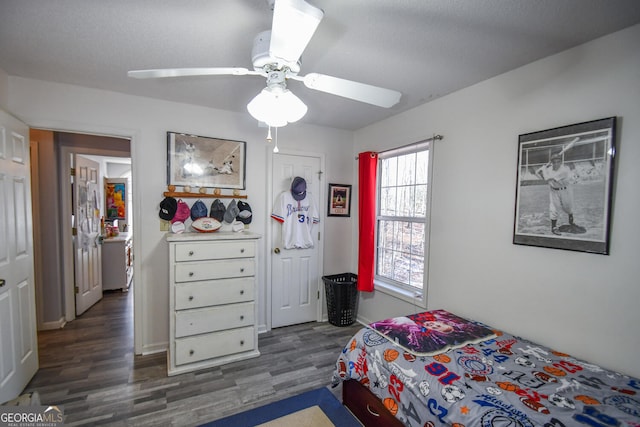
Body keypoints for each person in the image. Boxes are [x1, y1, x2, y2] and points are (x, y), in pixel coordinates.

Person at [535, 153, 581, 235]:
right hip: (553, 191)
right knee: (553, 209)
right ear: (551, 162)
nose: (556, 164)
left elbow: (547, 178)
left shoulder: (564, 170)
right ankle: (554, 227)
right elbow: (540, 176)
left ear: (561, 162)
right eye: (554, 162)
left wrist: (544, 169)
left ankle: (571, 219)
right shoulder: (549, 169)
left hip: (565, 190)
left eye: (558, 162)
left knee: (568, 208)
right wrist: (539, 171)